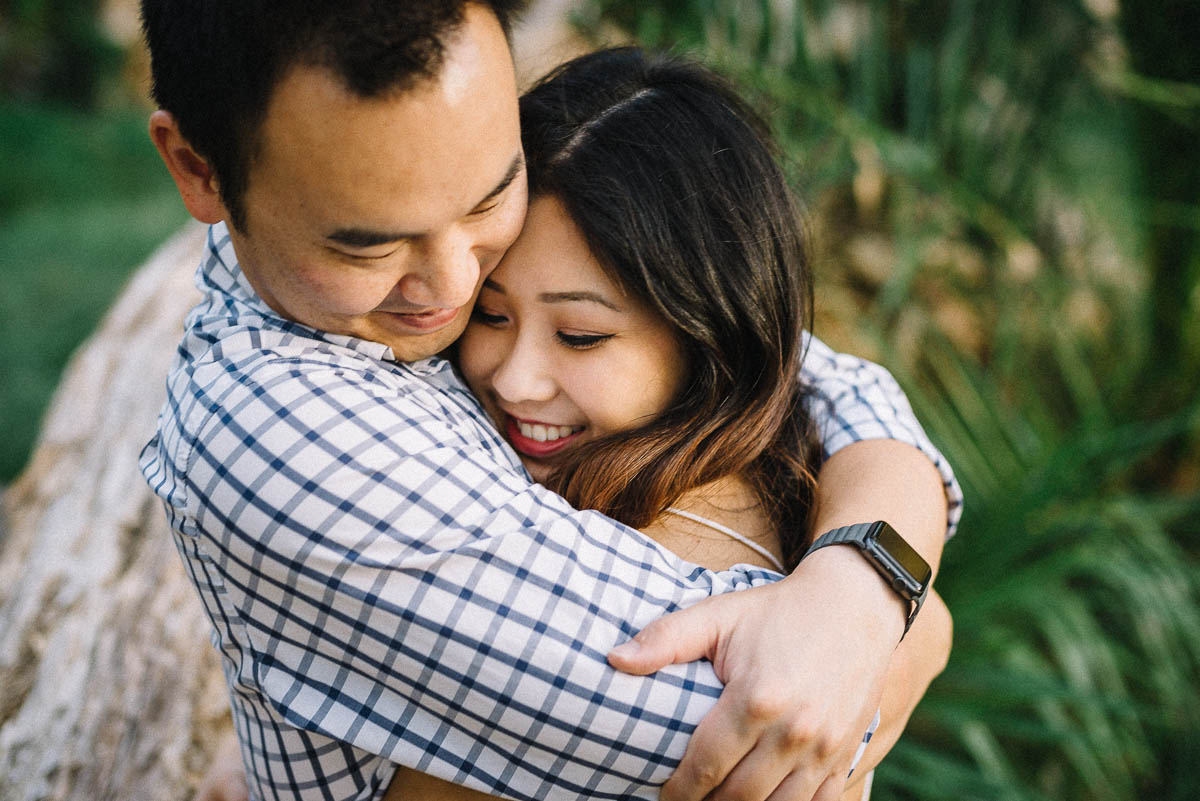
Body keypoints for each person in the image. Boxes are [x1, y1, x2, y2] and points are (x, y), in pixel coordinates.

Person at [138, 2, 961, 800]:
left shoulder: (458, 234)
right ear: (200, 169)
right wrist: (915, 624)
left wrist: (859, 581)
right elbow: (772, 730)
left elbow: (821, 377)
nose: (456, 286)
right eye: (372, 244)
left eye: (489, 197)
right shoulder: (286, 437)